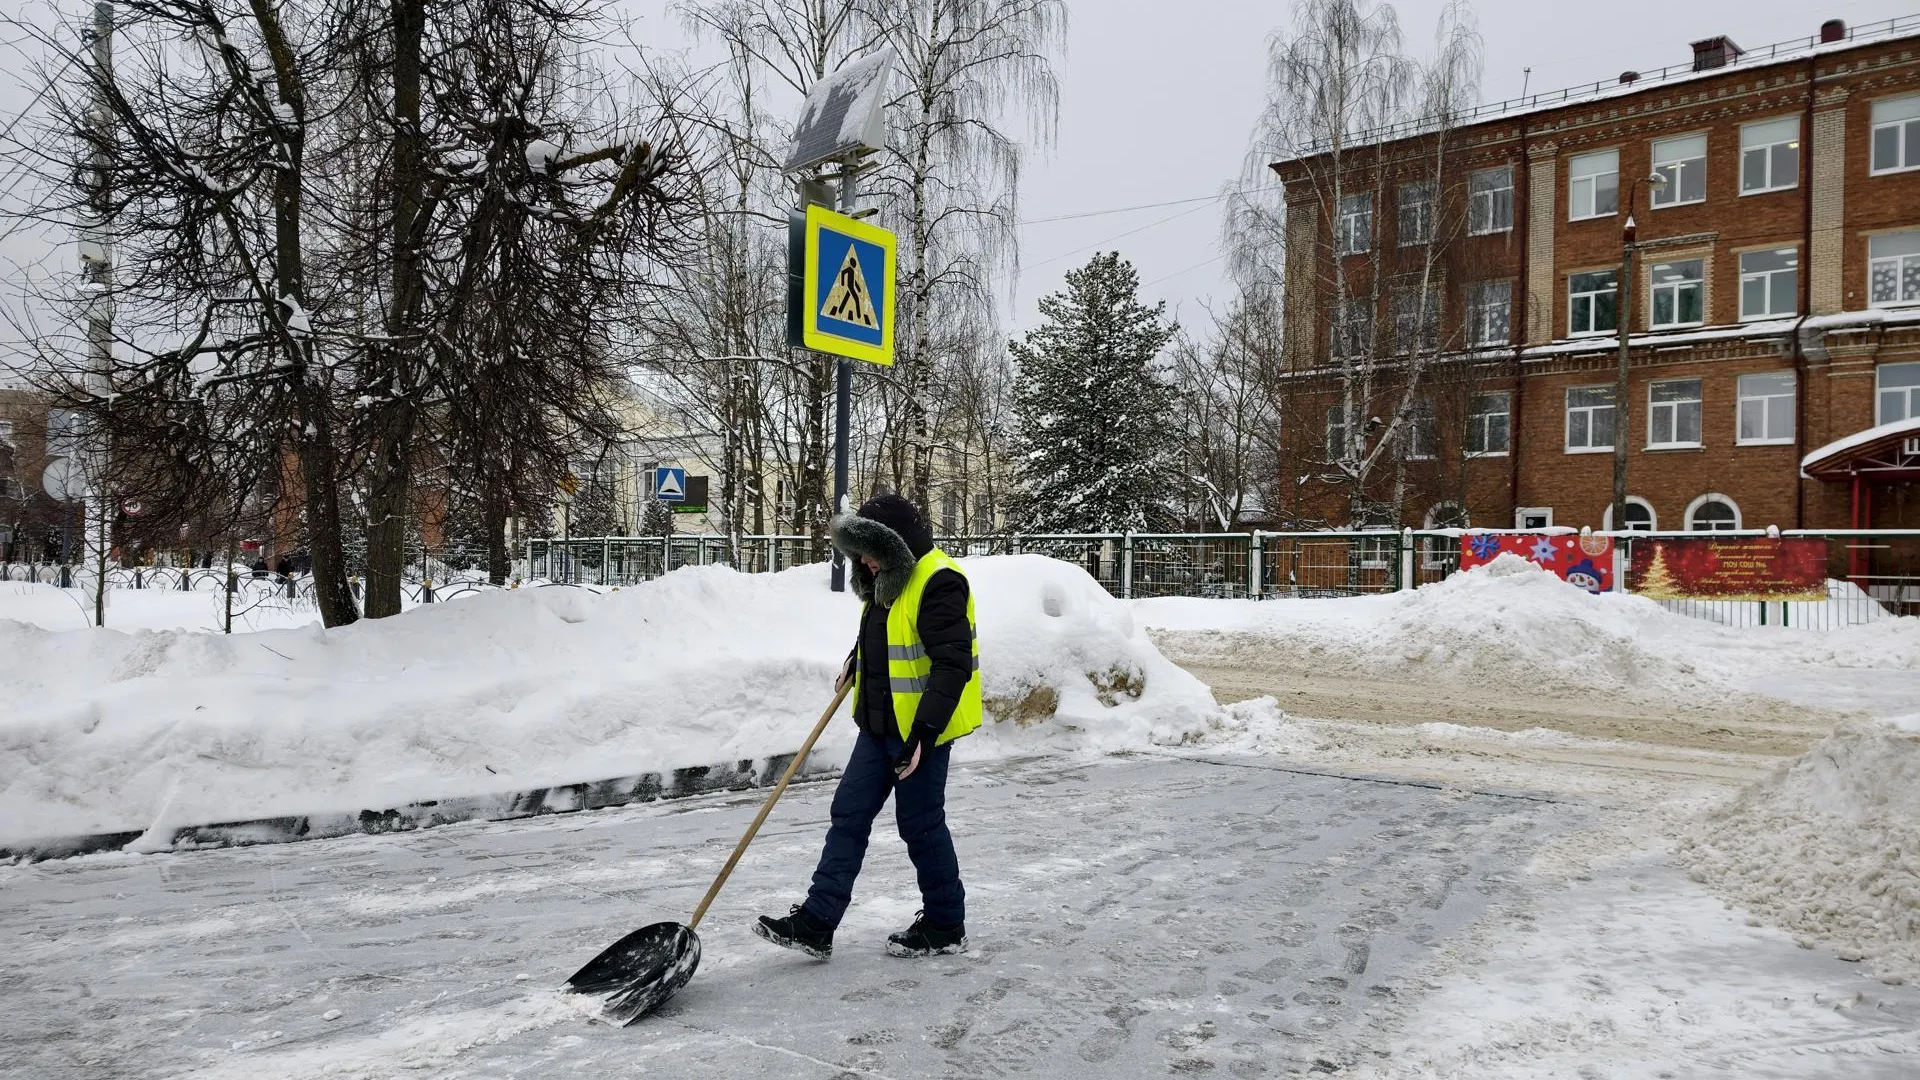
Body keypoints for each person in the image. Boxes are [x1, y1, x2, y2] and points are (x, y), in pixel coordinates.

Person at [754, 494, 981, 960]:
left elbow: (951, 665)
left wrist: (922, 736)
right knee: (849, 814)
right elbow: (888, 635)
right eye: (859, 550)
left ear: (896, 545)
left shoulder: (939, 581)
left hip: (921, 731)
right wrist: (855, 658)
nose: (864, 560)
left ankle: (945, 924)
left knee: (919, 824)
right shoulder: (885, 578)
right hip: (877, 725)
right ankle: (818, 921)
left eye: (871, 550)